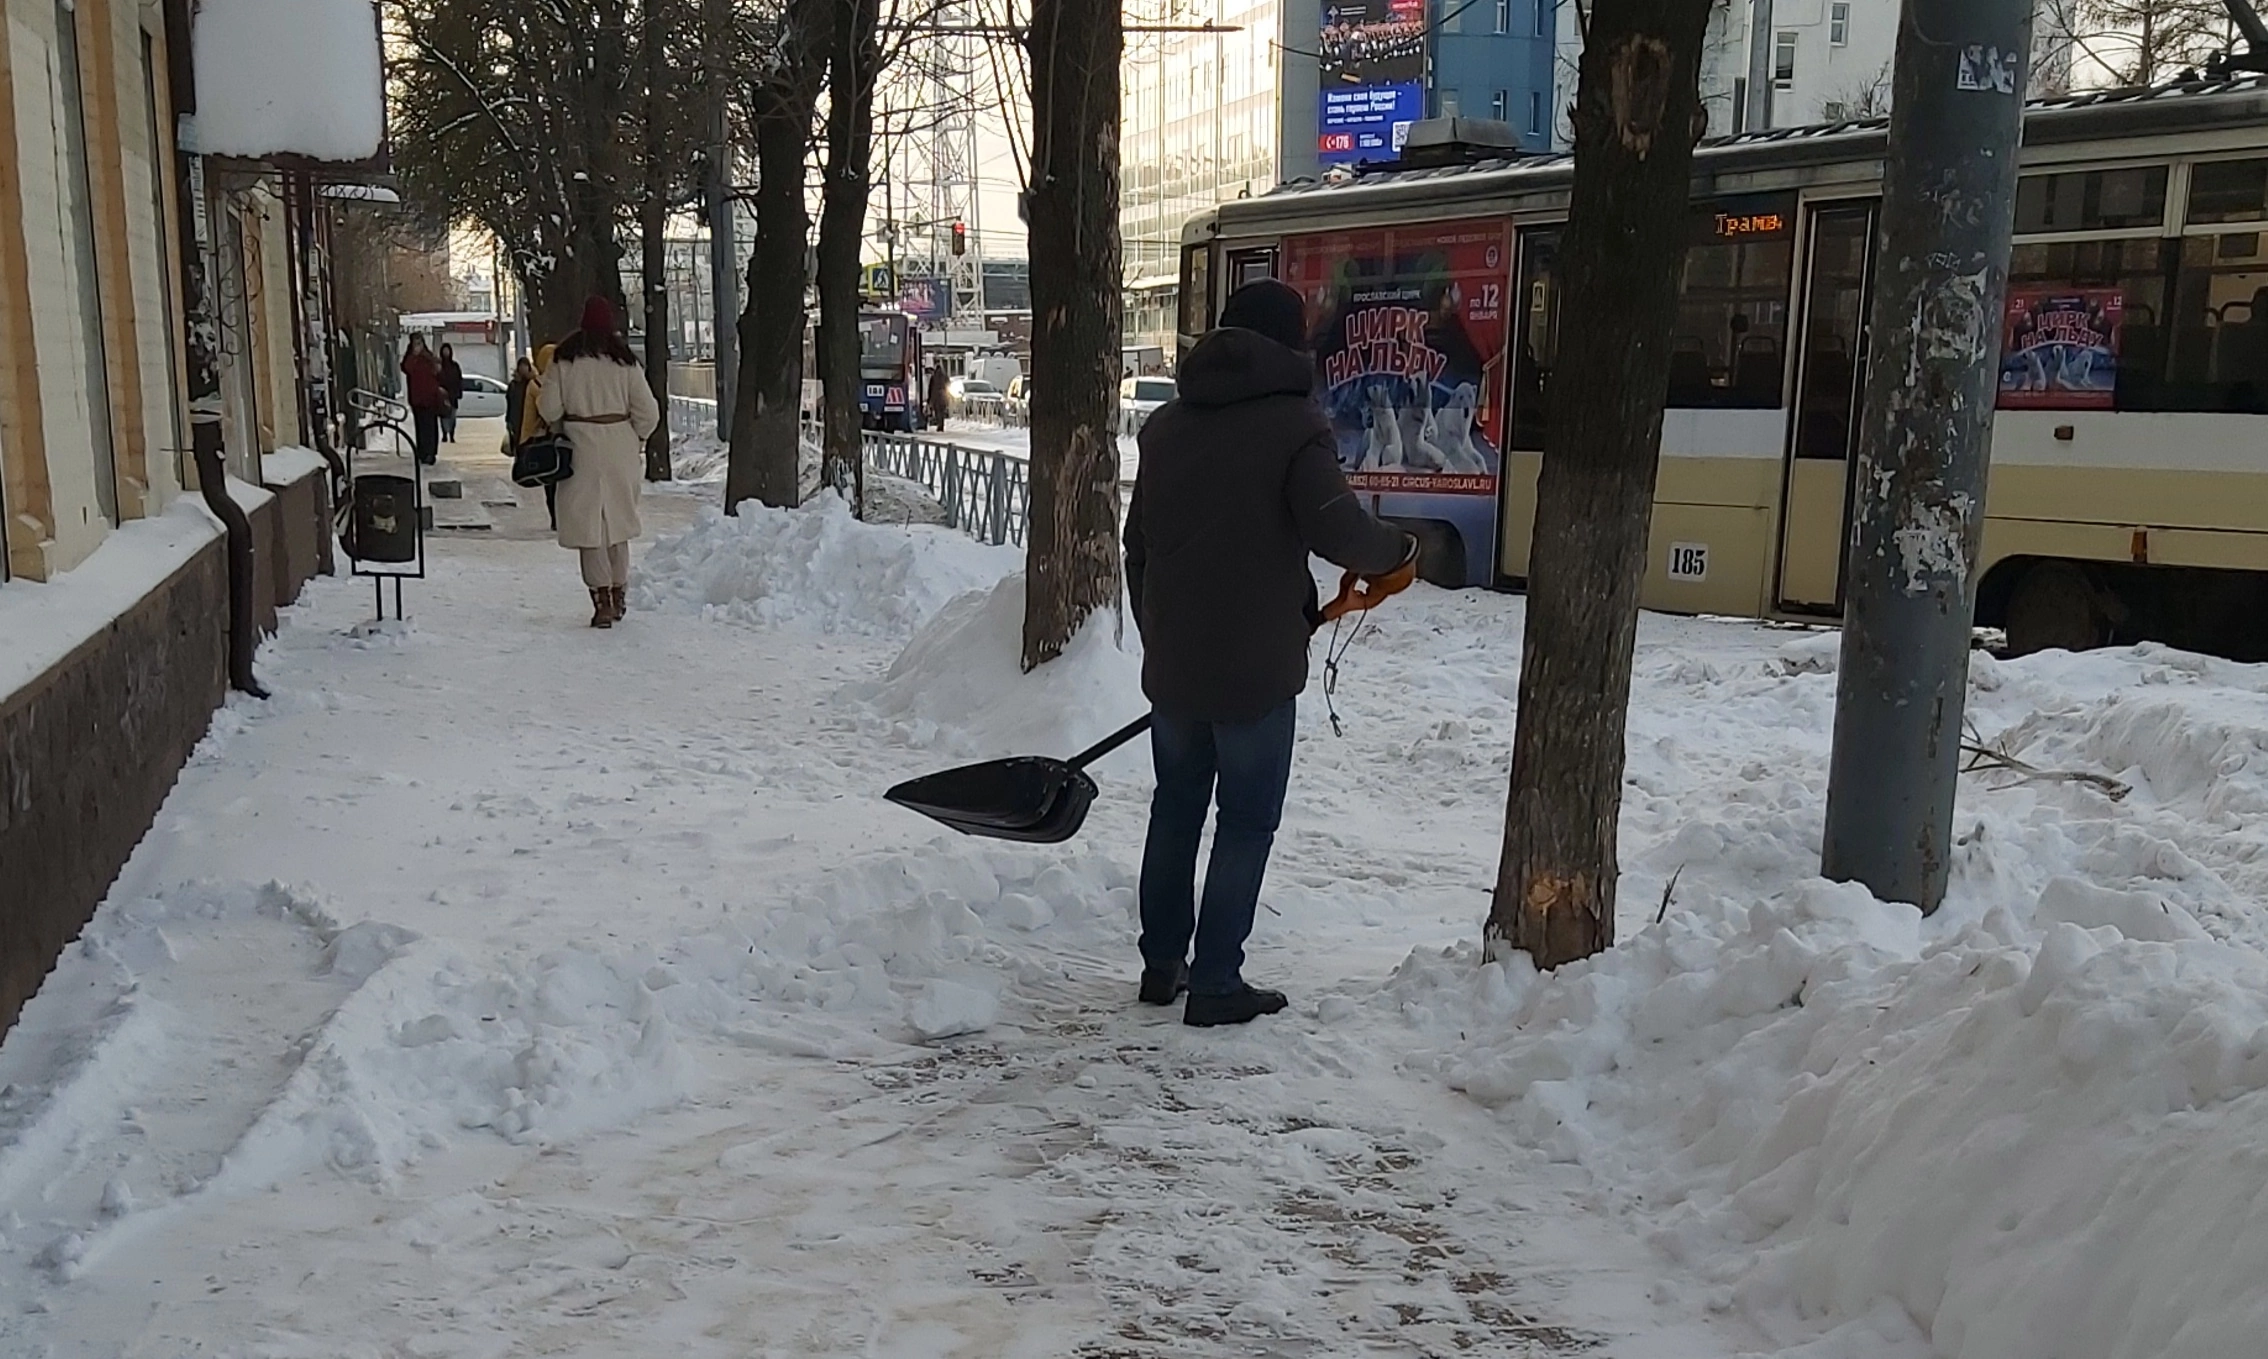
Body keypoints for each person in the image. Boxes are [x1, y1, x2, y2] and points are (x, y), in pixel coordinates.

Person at [1123, 278, 1419, 1028]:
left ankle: (1163, 965)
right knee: (1246, 821)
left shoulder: (1165, 429)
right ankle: (1217, 980)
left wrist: (1162, 637)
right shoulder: (1294, 428)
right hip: (1256, 672)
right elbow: (1340, 530)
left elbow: (1138, 549)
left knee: (1176, 808)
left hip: (1177, 671)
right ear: (1290, 345)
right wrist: (1401, 551)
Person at [537, 299, 659, 628]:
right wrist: (636, 438)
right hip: (620, 446)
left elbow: (548, 408)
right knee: (617, 524)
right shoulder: (626, 362)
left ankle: (601, 599)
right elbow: (649, 412)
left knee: (588, 527)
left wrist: (563, 426)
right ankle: (620, 594)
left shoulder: (564, 359)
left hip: (580, 446)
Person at [519, 346, 560, 531]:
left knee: (554, 481)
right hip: (543, 438)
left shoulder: (544, 383)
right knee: (552, 480)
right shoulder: (538, 385)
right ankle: (556, 518)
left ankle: (557, 517)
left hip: (549, 437)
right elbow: (547, 410)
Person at [400, 334, 443, 466]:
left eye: (419, 343)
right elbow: (406, 368)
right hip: (417, 399)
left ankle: (431, 453)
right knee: (420, 427)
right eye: (415, 343)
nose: (417, 346)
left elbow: (437, 370)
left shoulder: (428, 358)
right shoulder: (411, 358)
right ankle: (422, 452)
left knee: (430, 426)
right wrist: (413, 355)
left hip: (430, 398)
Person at [438, 343, 465, 443]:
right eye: (444, 351)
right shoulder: (439, 366)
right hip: (442, 395)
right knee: (444, 416)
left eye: (447, 351)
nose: (446, 353)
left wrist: (459, 392)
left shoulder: (455, 366)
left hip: (453, 395)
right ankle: (445, 434)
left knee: (452, 416)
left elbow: (459, 379)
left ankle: (452, 434)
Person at [927, 365, 952, 429]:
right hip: (944, 396)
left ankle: (939, 424)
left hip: (936, 396)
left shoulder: (934, 377)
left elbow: (930, 388)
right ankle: (941, 424)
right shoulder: (945, 376)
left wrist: (929, 399)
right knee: (942, 411)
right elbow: (949, 385)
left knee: (937, 411)